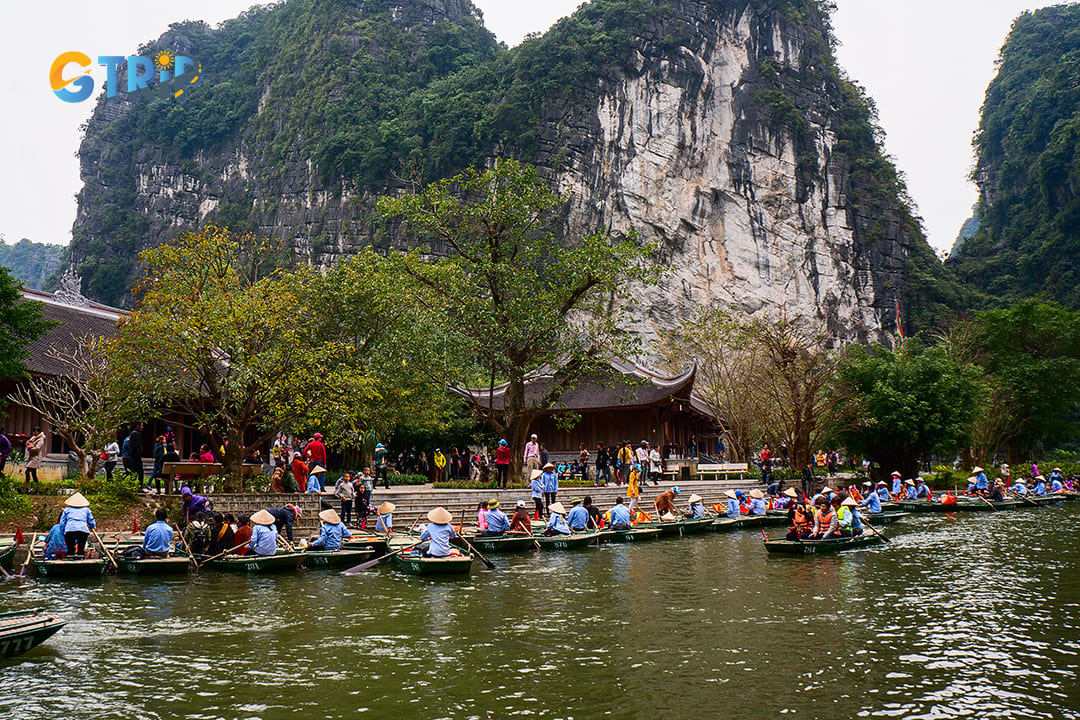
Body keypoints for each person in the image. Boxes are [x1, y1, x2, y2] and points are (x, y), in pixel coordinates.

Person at [58, 492, 95, 556]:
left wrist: (63, 531)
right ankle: (80, 556)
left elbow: (62, 522)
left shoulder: (67, 509)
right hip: (82, 530)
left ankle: (71, 557)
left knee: (70, 549)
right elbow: (91, 520)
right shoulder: (86, 509)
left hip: (70, 530)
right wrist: (92, 526)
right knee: (81, 549)